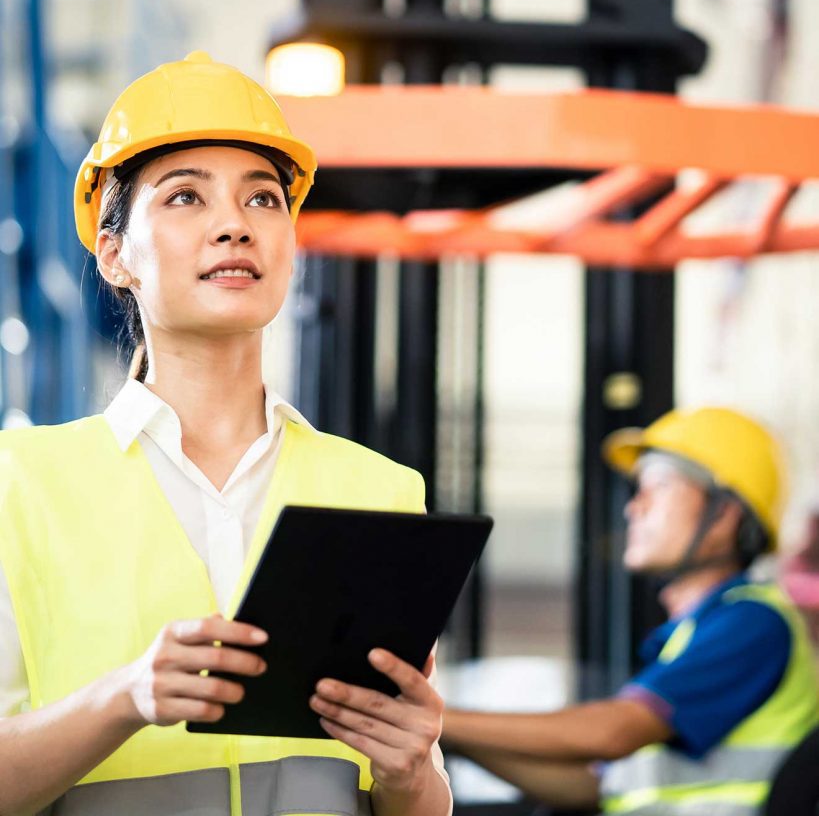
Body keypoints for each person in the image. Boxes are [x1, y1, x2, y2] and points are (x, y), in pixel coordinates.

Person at [0, 51, 452, 816]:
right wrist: (124, 697)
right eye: (184, 197)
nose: (235, 225)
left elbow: (410, 801)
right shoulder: (21, 484)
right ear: (115, 255)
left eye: (264, 200)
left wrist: (411, 771)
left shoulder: (379, 491)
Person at [443, 407, 819, 815]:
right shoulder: (689, 637)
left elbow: (612, 733)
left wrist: (438, 717)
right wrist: (442, 733)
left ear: (725, 514)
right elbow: (591, 787)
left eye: (658, 487)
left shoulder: (752, 623)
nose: (633, 508)